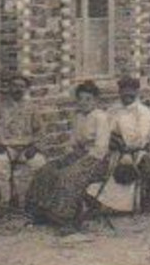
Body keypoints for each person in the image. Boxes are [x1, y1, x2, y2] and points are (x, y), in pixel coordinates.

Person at [23, 81, 111, 233]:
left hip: (96, 160)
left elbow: (100, 148)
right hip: (78, 155)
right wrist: (70, 155)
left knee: (68, 176)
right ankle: (41, 212)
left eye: (88, 99)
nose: (84, 103)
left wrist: (79, 160)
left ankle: (66, 219)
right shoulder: (78, 116)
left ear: (96, 100)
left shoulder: (101, 117)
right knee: (47, 170)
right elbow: (73, 142)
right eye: (81, 99)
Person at [0, 74, 44, 210]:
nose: (18, 89)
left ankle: (30, 200)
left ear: (26, 89)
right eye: (15, 86)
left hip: (26, 147)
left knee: (39, 164)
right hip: (5, 147)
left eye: (21, 86)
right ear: (9, 88)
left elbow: (39, 132)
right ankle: (6, 201)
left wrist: (34, 146)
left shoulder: (32, 108)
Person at [107, 75, 150, 214]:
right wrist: (113, 141)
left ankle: (146, 202)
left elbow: (142, 137)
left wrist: (129, 147)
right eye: (123, 92)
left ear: (136, 93)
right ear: (119, 93)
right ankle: (106, 202)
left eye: (130, 93)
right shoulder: (113, 110)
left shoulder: (142, 111)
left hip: (135, 150)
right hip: (114, 148)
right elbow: (105, 129)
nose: (126, 96)